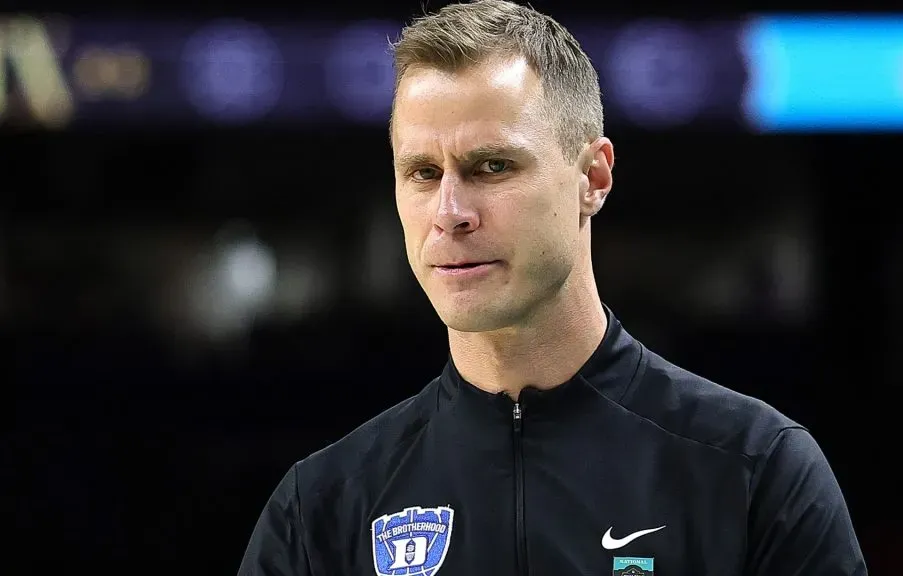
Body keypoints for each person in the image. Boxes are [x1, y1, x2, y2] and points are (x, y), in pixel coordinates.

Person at [237, 1, 868, 575]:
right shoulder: (320, 510)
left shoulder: (757, 471)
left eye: (493, 167)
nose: (450, 211)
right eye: (423, 173)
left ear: (593, 177)